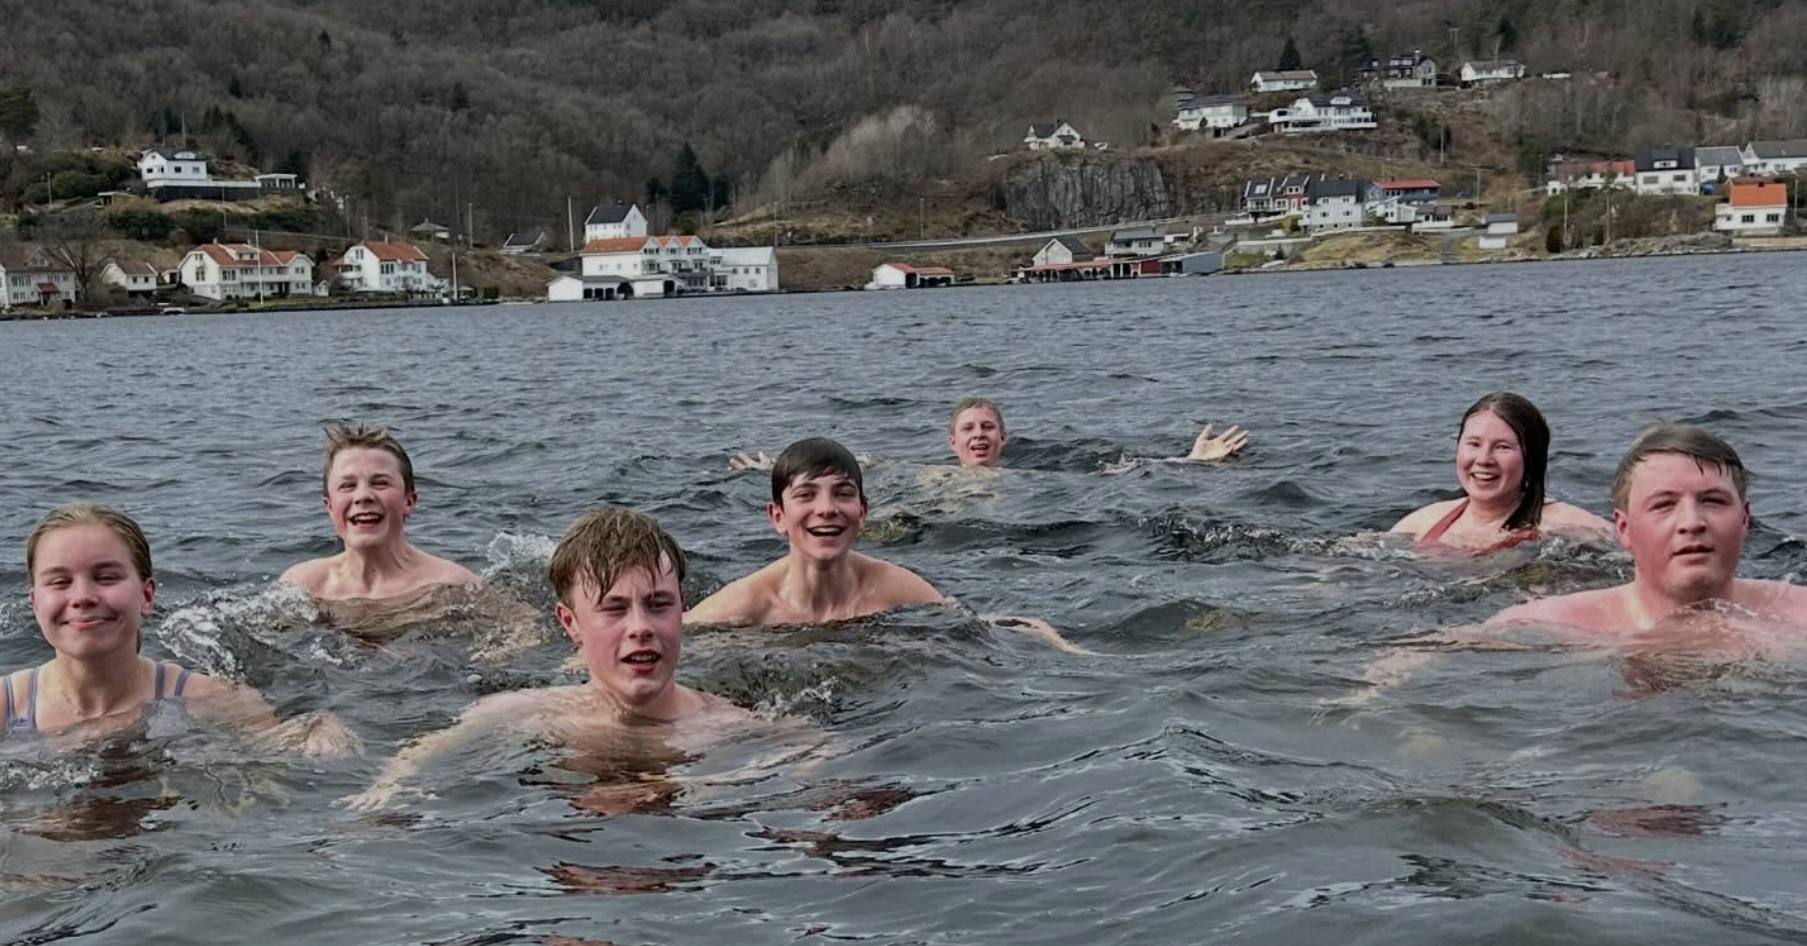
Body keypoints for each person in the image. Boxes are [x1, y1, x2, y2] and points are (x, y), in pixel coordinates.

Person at [344, 507, 749, 810]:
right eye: (614, 609)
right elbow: (420, 756)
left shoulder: (729, 729)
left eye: (658, 604)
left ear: (682, 608)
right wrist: (389, 787)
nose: (640, 627)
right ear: (570, 623)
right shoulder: (527, 711)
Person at [5, 503, 353, 753]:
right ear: (35, 603)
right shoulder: (8, 708)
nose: (82, 596)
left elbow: (283, 759)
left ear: (147, 595)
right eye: (60, 582)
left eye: (106, 577)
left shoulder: (212, 700)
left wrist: (320, 728)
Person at [1486, 423, 1807, 635]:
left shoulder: (1805, 619)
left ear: (1744, 519)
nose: (1692, 522)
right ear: (1624, 528)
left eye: (1713, 501)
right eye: (1664, 505)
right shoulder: (1543, 628)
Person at [689, 437, 948, 626]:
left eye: (843, 494)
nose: (826, 509)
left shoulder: (899, 590)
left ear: (862, 512)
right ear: (777, 516)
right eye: (806, 495)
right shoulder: (742, 606)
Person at [729, 396, 1249, 472]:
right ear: (951, 442)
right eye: (968, 429)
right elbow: (848, 469)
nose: (978, 435)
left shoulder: (1033, 477)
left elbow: (1119, 473)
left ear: (1003, 438)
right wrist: (777, 470)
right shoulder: (925, 474)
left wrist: (1190, 462)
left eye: (987, 428)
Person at [281, 423, 481, 601]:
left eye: (380, 483)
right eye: (348, 485)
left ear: (408, 502)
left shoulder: (455, 587)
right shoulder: (303, 587)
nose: (363, 496)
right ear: (330, 507)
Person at [1388, 392, 1610, 552]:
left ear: (1531, 458)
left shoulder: (1570, 526)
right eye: (1474, 444)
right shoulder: (1422, 523)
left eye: (1503, 447)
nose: (1484, 459)